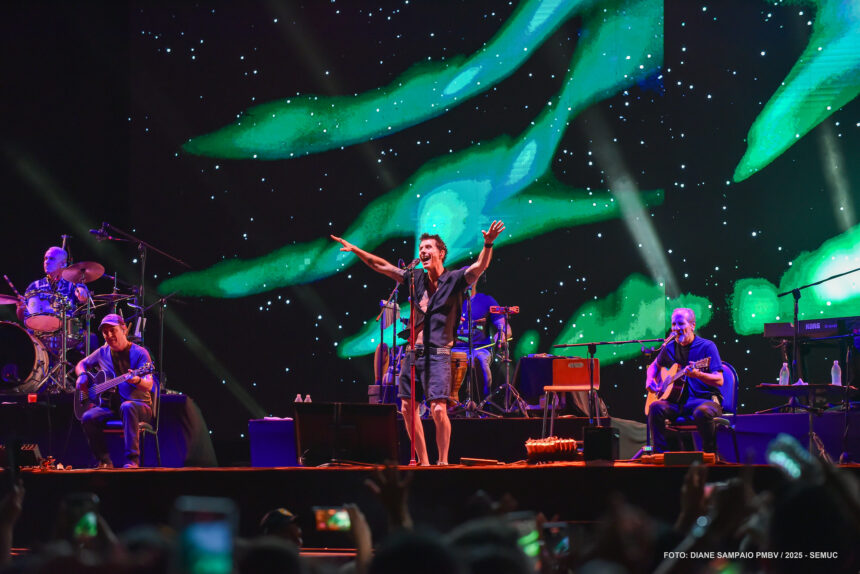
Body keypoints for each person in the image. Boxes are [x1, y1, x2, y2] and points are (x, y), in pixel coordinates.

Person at [331, 220, 505, 466]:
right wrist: (357, 250)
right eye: (421, 248)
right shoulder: (415, 279)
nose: (422, 251)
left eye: (428, 248)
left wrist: (488, 244)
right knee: (406, 408)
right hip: (413, 354)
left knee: (437, 410)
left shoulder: (454, 279)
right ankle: (424, 462)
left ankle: (442, 462)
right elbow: (382, 266)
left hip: (440, 354)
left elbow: (479, 267)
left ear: (441, 253)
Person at [75, 314, 154, 468]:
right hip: (112, 407)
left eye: (113, 330)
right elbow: (81, 364)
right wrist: (83, 376)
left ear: (123, 329)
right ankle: (105, 461)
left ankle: (133, 461)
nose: (109, 335)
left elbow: (149, 385)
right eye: (105, 332)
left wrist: (137, 380)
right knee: (88, 417)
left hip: (140, 407)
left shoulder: (140, 353)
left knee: (127, 406)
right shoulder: (102, 352)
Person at [645, 308, 723, 453]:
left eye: (680, 324)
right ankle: (661, 455)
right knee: (655, 407)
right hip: (678, 404)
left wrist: (699, 375)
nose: (676, 328)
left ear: (693, 325)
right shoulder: (669, 347)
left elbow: (719, 380)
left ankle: (709, 455)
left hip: (705, 400)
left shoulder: (707, 346)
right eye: (673, 324)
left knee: (702, 412)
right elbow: (654, 367)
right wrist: (649, 379)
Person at [452, 273, 512, 398]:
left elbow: (504, 325)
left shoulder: (487, 300)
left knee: (480, 361)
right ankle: (449, 404)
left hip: (480, 349)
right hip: (454, 349)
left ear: (476, 279)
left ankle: (484, 404)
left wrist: (502, 335)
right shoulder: (449, 302)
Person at [16, 246, 89, 325]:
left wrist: (83, 296)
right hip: (38, 333)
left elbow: (87, 305)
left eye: (51, 259)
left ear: (63, 264)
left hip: (65, 332)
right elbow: (22, 318)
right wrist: (21, 309)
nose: (46, 262)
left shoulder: (73, 284)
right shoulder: (34, 286)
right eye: (45, 258)